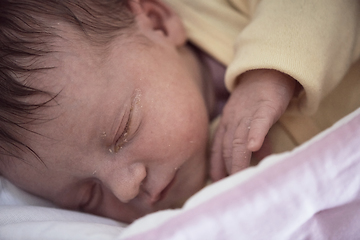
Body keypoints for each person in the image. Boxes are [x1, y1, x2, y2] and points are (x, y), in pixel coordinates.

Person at [0, 0, 359, 224]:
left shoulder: (215, 7)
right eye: (87, 198)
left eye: (123, 130)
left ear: (157, 22)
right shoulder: (192, 212)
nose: (126, 190)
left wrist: (269, 74)